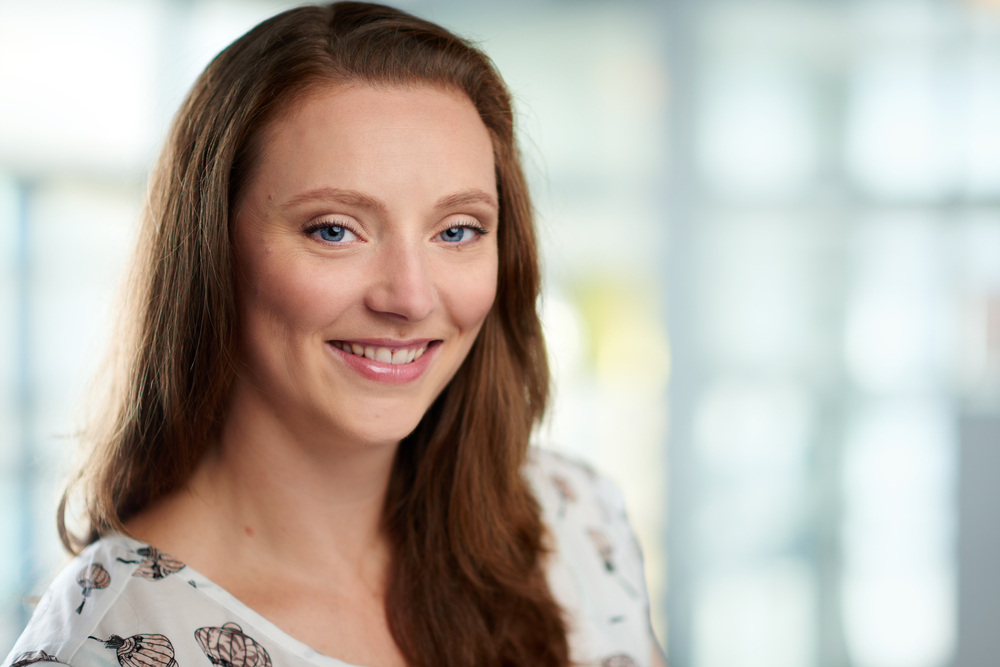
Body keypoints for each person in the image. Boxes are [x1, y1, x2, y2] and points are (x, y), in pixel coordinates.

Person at [4, 4, 664, 667]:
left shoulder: (577, 519)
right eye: (334, 229)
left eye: (457, 229)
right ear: (211, 249)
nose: (409, 297)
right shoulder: (99, 645)